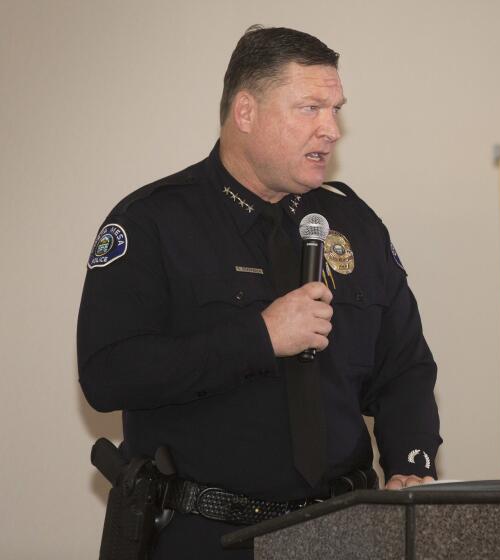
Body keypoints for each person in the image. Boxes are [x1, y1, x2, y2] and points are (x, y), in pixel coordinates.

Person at [77, 26, 441, 558]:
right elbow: (108, 375)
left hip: (347, 531)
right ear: (245, 112)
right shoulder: (154, 223)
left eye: (336, 109)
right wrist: (259, 337)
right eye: (310, 108)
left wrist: (411, 464)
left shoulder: (355, 226)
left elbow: (404, 367)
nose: (332, 129)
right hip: (207, 534)